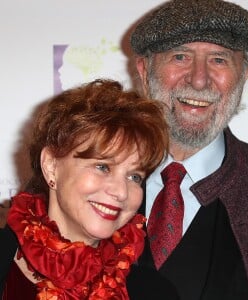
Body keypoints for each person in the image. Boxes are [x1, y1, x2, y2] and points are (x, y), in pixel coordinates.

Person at [126, 0, 248, 299]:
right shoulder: (89, 181)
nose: (198, 79)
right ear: (144, 71)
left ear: (243, 75)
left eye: (219, 60)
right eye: (180, 57)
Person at [0, 79, 169, 299]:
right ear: (51, 166)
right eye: (102, 167)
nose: (121, 192)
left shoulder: (156, 292)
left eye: (134, 176)